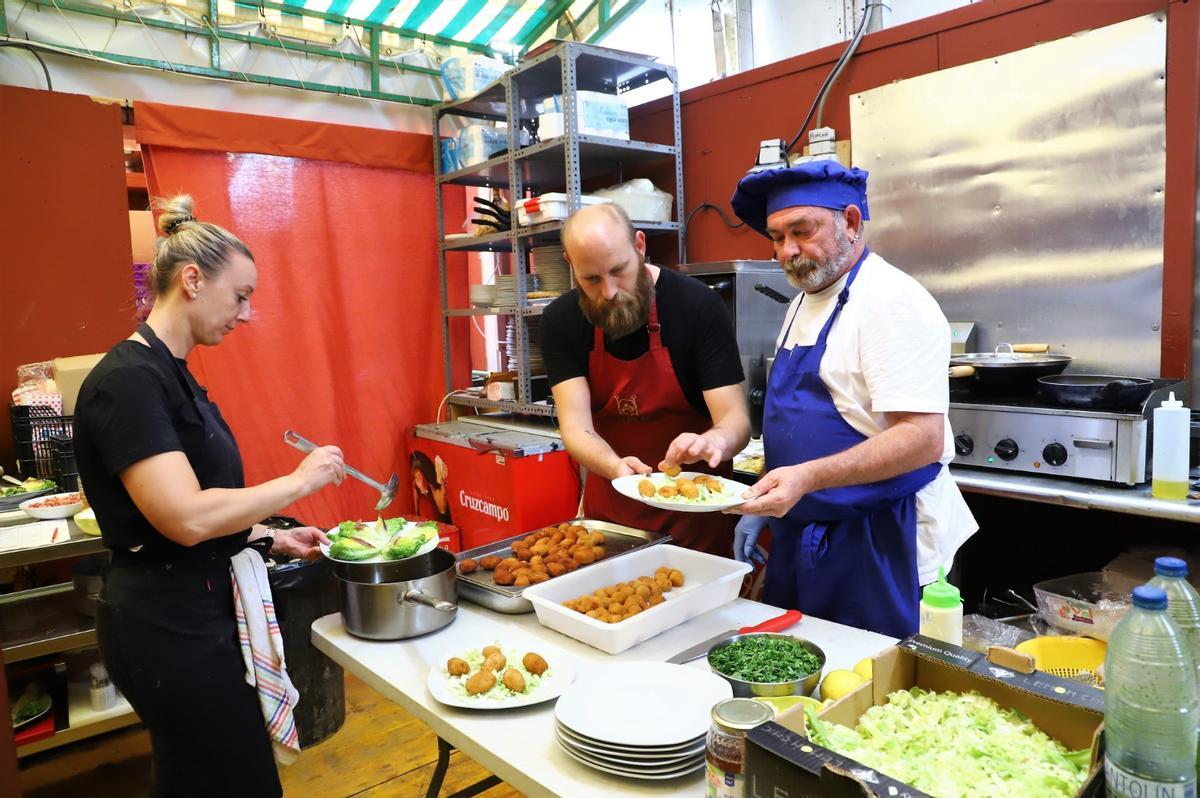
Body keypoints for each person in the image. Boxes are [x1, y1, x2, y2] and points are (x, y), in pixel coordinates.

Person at [74, 195, 346, 797]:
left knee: (201, 779)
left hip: (196, 607)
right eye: (241, 295)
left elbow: (200, 503)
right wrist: (298, 483)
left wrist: (267, 535)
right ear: (192, 280)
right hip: (163, 625)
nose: (246, 314)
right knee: (231, 781)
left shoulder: (174, 375)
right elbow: (183, 517)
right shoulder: (127, 383)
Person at [727, 161, 977, 638]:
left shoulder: (891, 302)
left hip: (881, 538)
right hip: (806, 528)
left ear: (851, 221)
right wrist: (761, 501)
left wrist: (808, 478)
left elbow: (921, 439)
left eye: (802, 231)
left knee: (872, 683)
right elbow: (795, 430)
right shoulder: (805, 298)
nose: (788, 251)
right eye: (776, 238)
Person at [540, 203, 751, 556]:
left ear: (640, 246)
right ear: (570, 264)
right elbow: (576, 428)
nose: (608, 292)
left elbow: (736, 421)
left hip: (695, 527)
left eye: (619, 271)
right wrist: (614, 466)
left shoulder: (697, 307)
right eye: (590, 278)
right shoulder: (560, 321)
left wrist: (715, 441)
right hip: (608, 528)